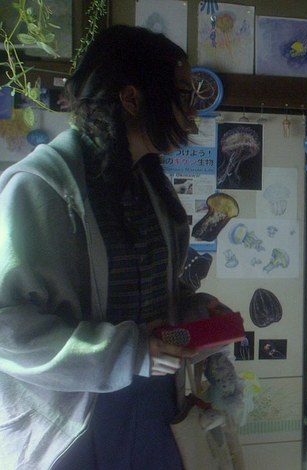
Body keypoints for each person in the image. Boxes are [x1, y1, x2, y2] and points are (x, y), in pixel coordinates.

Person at [0, 25, 214, 469]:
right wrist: (128, 353)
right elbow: (8, 330)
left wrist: (193, 312)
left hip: (155, 409)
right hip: (72, 424)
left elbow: (148, 297)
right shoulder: (40, 187)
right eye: (183, 94)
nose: (194, 110)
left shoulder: (148, 183)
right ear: (131, 98)